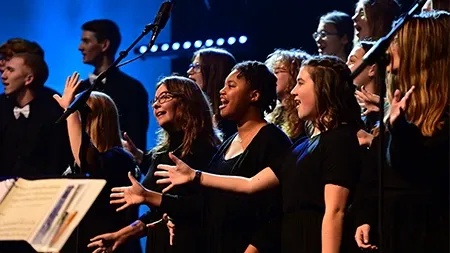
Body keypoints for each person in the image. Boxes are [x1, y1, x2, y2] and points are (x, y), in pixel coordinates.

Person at [112, 56, 362, 253]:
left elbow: (303, 211)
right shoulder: (290, 145)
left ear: (254, 95)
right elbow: (242, 188)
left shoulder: (278, 140)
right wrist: (175, 200)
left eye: (231, 85)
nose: (221, 91)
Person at [88, 76, 221, 253]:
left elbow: (204, 207)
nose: (156, 105)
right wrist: (122, 235)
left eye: (165, 97)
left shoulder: (206, 150)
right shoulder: (161, 153)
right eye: (155, 99)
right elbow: (159, 213)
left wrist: (148, 196)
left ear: (187, 101)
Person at [354, 10, 449, 253]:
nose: (388, 47)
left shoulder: (443, 115)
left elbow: (420, 171)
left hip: (425, 233)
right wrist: (365, 216)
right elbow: (373, 176)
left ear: (419, 50)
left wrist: (401, 130)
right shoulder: (395, 108)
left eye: (396, 41)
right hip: (386, 232)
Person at [53, 72, 139, 253]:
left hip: (106, 246)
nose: (73, 122)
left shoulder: (119, 157)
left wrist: (70, 111)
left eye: (79, 114)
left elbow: (88, 161)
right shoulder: (74, 162)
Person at [77, 19, 149, 152]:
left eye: (86, 41)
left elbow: (136, 140)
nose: (80, 47)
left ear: (104, 45)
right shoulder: (81, 89)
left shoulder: (132, 89)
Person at [0, 53, 71, 177]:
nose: (4, 76)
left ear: (29, 79)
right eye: (4, 70)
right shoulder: (2, 108)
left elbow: (56, 159)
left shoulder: (51, 113)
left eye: (10, 70)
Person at [187, 47, 237, 139]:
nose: (189, 72)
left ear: (214, 72)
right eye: (191, 66)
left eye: (197, 67)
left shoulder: (231, 118)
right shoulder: (192, 113)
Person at [265, 49, 310, 141]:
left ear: (295, 75)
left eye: (277, 71)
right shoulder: (273, 114)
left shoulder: (305, 116)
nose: (272, 77)